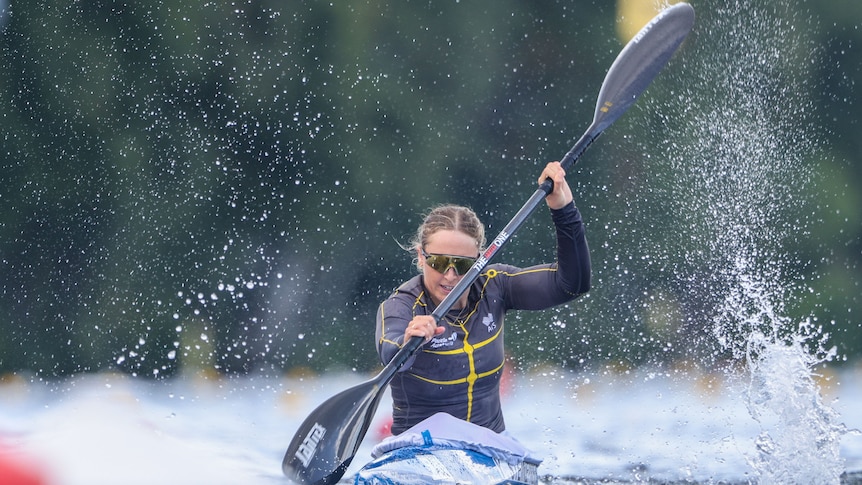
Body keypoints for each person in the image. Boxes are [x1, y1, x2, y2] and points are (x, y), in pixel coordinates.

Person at [375, 161, 591, 436]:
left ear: (479, 261)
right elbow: (391, 354)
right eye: (439, 262)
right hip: (419, 451)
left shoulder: (495, 286)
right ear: (420, 256)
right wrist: (409, 343)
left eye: (463, 264)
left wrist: (563, 208)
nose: (451, 275)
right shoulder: (401, 306)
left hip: (489, 451)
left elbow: (572, 284)